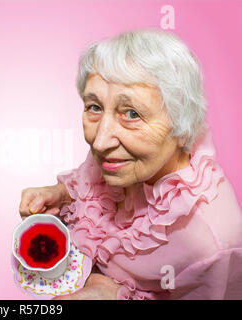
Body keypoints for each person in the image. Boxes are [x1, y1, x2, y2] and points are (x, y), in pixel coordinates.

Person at [19, 29, 242, 299]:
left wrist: (110, 295)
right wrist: (62, 195)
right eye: (94, 107)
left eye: (132, 113)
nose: (99, 142)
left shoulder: (213, 245)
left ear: (183, 124)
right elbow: (89, 185)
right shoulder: (124, 156)